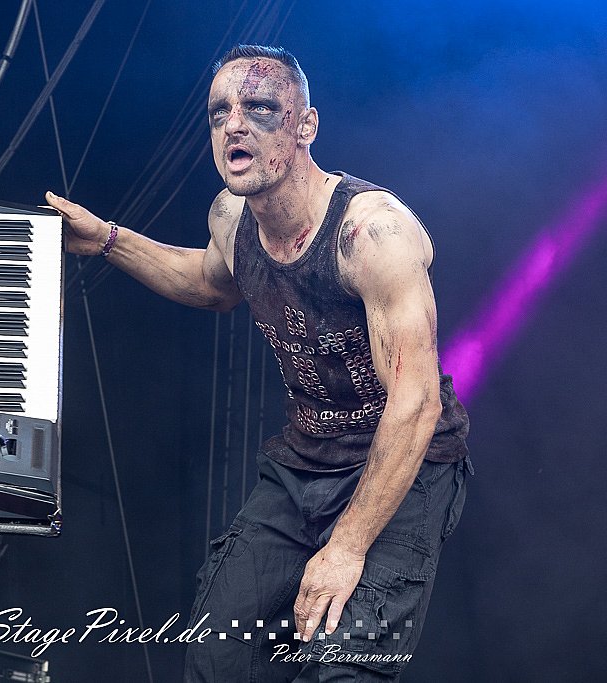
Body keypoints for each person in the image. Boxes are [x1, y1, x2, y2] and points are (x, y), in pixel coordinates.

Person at [44, 44, 471, 681]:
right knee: (217, 655)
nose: (234, 126)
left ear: (306, 126)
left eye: (260, 108)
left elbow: (416, 404)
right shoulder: (231, 217)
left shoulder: (372, 235)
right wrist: (109, 240)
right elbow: (214, 283)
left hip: (404, 461)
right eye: (220, 113)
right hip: (306, 461)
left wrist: (346, 547)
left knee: (345, 669)